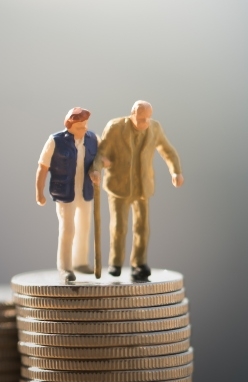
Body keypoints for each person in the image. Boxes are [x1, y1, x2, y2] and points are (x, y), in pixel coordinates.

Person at [97, 100, 183, 280]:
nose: (145, 123)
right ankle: (115, 263)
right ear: (132, 114)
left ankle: (139, 263)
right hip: (118, 186)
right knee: (118, 227)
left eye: (148, 118)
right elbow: (101, 153)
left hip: (142, 187)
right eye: (141, 118)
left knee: (142, 227)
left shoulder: (155, 128)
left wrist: (175, 171)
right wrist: (97, 168)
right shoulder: (115, 127)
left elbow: (167, 150)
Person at [35, 107, 101, 282]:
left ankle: (80, 262)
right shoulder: (55, 141)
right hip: (65, 192)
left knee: (84, 227)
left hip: (85, 191)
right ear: (70, 125)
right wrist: (39, 192)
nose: (84, 129)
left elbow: (103, 157)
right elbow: (43, 167)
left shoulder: (93, 139)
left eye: (86, 125)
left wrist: (98, 169)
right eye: (80, 127)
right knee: (68, 229)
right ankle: (65, 267)